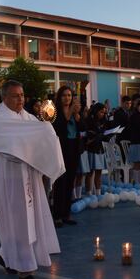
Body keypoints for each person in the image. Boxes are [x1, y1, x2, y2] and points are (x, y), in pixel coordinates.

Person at [0, 80, 64, 279]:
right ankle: (25, 270)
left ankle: (7, 255)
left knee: (29, 220)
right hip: (11, 178)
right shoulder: (0, 118)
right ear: (4, 98)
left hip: (28, 175)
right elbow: (12, 145)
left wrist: (46, 125)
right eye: (15, 95)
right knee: (19, 221)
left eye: (22, 95)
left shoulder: (27, 117)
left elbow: (39, 133)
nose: (20, 99)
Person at [51, 86, 80, 227]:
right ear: (59, 97)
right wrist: (68, 115)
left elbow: (81, 128)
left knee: (70, 182)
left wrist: (78, 116)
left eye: (69, 95)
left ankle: (66, 214)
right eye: (64, 95)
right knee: (60, 182)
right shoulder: (55, 112)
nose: (67, 98)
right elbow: (58, 129)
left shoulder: (74, 112)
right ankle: (57, 215)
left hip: (73, 148)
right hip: (61, 149)